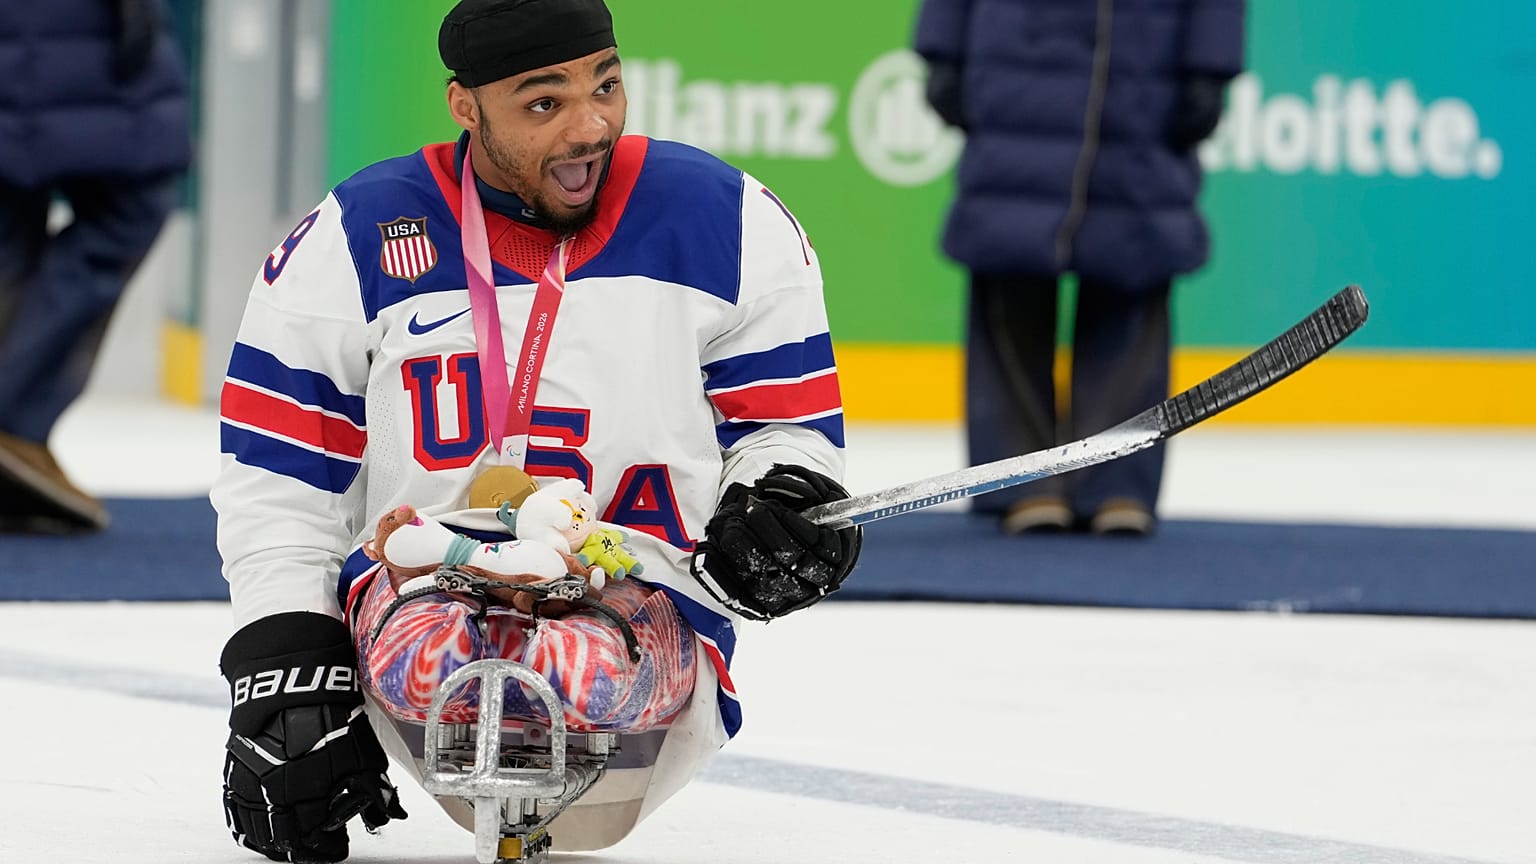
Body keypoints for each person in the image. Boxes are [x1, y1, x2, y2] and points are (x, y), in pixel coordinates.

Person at [211, 0, 862, 860]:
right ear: (465, 105)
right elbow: (282, 469)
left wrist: (778, 504)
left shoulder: (727, 219)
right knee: (434, 658)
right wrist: (285, 647)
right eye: (544, 103)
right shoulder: (356, 233)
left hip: (642, 599)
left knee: (584, 677)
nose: (590, 126)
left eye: (608, 86)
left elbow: (787, 426)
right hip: (421, 597)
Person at [915, 0, 1245, 536]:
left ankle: (1116, 478)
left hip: (1143, 65)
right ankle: (1019, 479)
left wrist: (1211, 61)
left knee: (1132, 269)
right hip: (1014, 54)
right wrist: (942, 45)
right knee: (1010, 267)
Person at [0, 0, 192, 533]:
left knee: (10, 235)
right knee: (128, 209)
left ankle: (18, 434)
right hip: (84, 43)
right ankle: (13, 422)